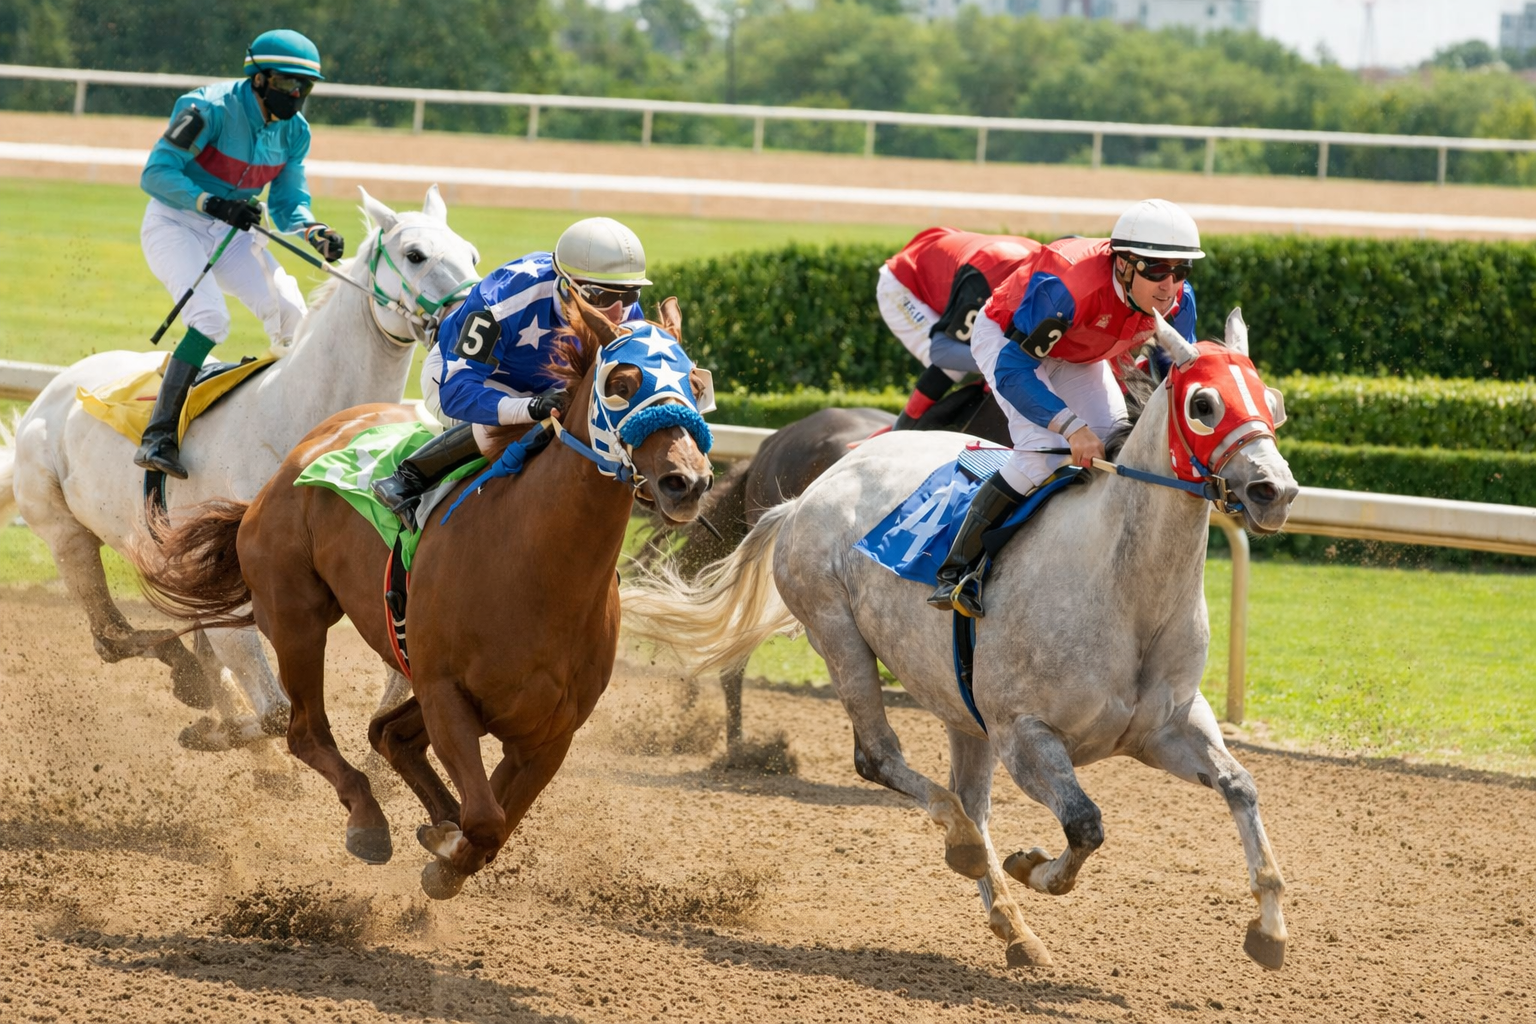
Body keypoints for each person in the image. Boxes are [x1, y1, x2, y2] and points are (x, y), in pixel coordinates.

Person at [928, 199, 1203, 616]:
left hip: (1079, 354)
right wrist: (1072, 427)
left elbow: (1178, 377)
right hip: (1008, 345)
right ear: (1125, 265)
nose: (1170, 286)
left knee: (1116, 447)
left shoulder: (1180, 302)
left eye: (1180, 271)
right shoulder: (1069, 285)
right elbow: (1014, 368)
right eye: (1157, 271)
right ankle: (956, 571)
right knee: (1042, 456)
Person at [134, 28, 343, 479]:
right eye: (290, 84)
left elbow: (289, 202)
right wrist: (210, 202)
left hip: (232, 233)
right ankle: (158, 437)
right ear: (259, 77)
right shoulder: (205, 108)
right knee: (210, 319)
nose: (298, 94)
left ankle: (300, 430)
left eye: (305, 86)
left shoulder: (295, 133)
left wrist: (314, 229)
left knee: (293, 316)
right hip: (176, 224)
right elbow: (155, 173)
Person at [370, 217, 651, 526]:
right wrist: (529, 407)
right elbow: (456, 391)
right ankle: (408, 477)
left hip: (545, 389)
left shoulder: (622, 311)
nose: (616, 313)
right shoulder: (501, 299)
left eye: (629, 296)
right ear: (567, 285)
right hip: (461, 378)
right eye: (602, 297)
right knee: (534, 426)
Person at [878, 228, 1040, 429]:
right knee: (954, 365)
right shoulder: (986, 280)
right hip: (904, 286)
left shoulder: (1042, 266)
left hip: (952, 266)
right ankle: (900, 432)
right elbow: (942, 352)